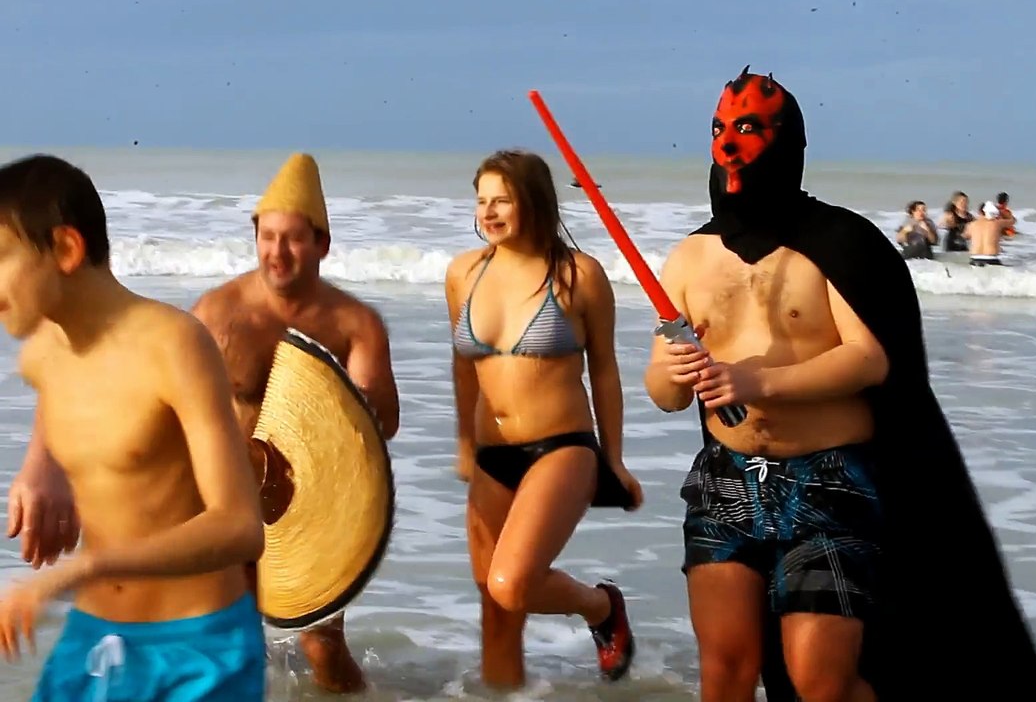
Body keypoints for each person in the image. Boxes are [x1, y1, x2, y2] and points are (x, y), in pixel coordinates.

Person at [644, 66, 1036, 701]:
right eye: (720, 128)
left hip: (826, 481)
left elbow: (871, 361)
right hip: (724, 479)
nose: (728, 143)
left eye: (748, 127)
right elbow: (667, 393)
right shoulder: (689, 258)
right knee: (725, 670)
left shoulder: (838, 243)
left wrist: (758, 379)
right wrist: (669, 374)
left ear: (787, 140)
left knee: (821, 682)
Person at [0, 154, 267, 699]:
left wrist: (85, 566)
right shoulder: (41, 352)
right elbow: (64, 386)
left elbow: (240, 525)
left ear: (67, 250)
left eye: (0, 256)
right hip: (94, 640)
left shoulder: (174, 346)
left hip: (197, 653)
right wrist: (39, 467)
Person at [185, 152, 401, 694]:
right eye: (268, 237)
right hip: (230, 499)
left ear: (322, 244)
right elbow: (170, 409)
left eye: (294, 238)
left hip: (314, 506)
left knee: (322, 648)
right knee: (227, 642)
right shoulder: (217, 313)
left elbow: (386, 423)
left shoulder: (354, 324)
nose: (277, 252)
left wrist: (348, 400)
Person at [446, 149, 641, 689]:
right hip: (493, 455)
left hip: (562, 449)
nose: (488, 212)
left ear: (533, 200)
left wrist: (615, 458)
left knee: (511, 584)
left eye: (501, 200)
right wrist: (465, 443)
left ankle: (600, 607)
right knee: (496, 610)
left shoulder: (579, 275)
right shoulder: (464, 273)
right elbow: (464, 367)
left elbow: (604, 369)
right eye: (481, 200)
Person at [965, 201, 1011, 266]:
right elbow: (1013, 221)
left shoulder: (971, 225)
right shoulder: (997, 223)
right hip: (991, 258)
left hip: (974, 258)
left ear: (979, 212)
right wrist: (1002, 212)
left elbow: (965, 236)